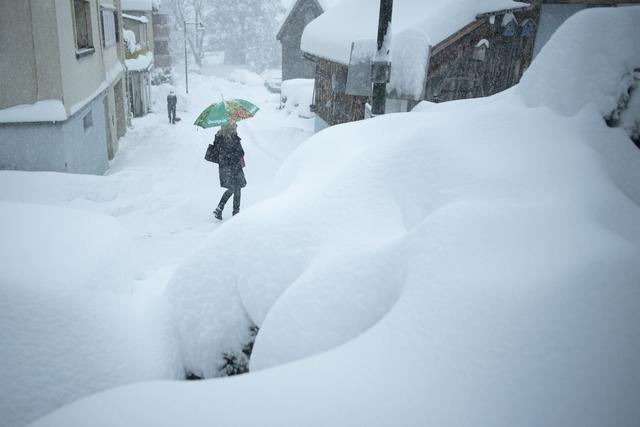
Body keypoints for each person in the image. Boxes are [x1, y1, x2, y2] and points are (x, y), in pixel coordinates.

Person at [213, 122, 246, 220]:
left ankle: (219, 208)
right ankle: (235, 214)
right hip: (233, 168)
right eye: (235, 125)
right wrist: (236, 140)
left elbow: (220, 153)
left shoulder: (219, 137)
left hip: (225, 169)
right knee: (237, 189)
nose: (236, 127)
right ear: (230, 127)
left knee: (233, 188)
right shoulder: (231, 138)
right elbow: (240, 152)